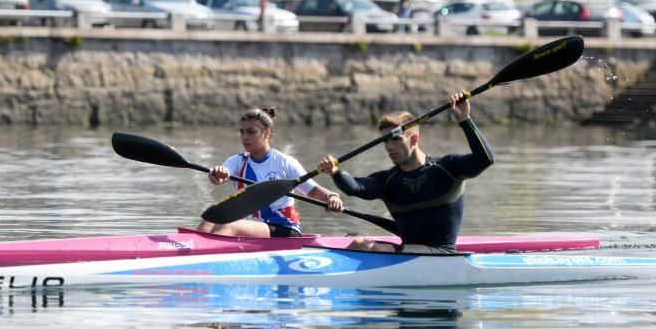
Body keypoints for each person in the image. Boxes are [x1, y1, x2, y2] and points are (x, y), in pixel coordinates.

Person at [317, 91, 493, 253]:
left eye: (395, 139)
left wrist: (464, 120)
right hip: (408, 252)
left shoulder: (447, 168)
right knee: (357, 243)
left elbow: (485, 159)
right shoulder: (387, 181)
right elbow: (355, 188)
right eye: (385, 141)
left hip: (442, 254)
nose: (389, 147)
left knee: (368, 247)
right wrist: (336, 172)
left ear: (414, 139)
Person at [197, 107, 345, 237]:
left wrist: (331, 196)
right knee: (208, 222)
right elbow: (217, 180)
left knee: (228, 225)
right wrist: (218, 174)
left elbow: (312, 191)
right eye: (242, 132)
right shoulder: (237, 161)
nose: (244, 137)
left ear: (266, 133)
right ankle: (184, 253)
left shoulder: (285, 162)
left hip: (284, 228)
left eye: (251, 132)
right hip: (252, 226)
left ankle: (208, 261)